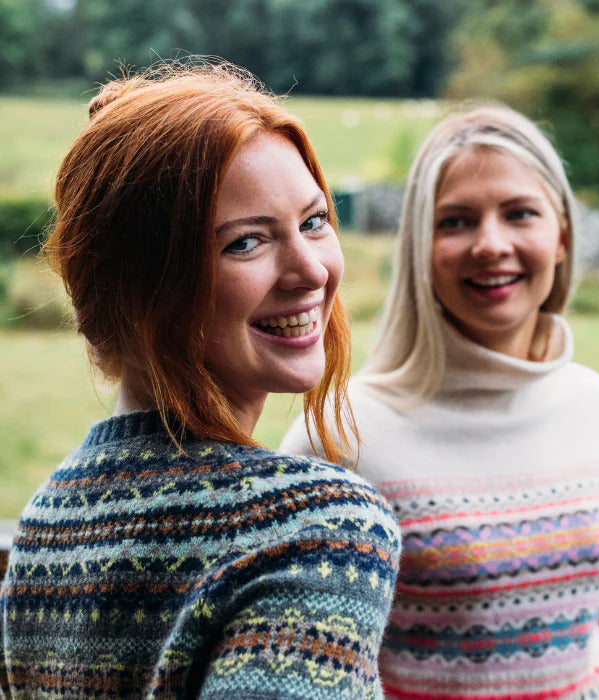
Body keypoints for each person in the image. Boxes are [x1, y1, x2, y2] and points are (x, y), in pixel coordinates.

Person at [0, 60, 400, 699]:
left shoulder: (49, 524)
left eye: (314, 221)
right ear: (140, 289)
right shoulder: (314, 529)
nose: (311, 270)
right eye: (245, 243)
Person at [282, 104, 599, 699]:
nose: (491, 244)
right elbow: (312, 673)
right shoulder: (340, 437)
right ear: (419, 248)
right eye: (456, 221)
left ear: (561, 235)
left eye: (519, 213)